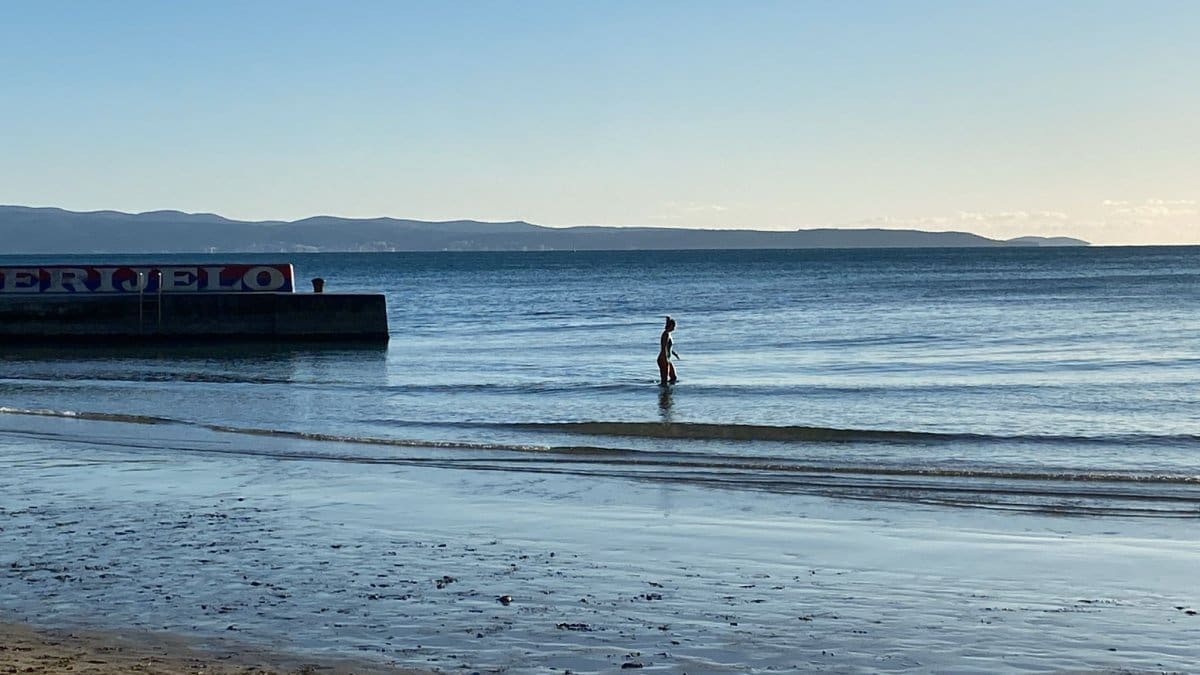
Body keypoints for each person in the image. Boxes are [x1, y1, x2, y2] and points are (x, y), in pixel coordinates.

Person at [658, 315, 679, 385]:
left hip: (667, 358)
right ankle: (663, 393)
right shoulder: (665, 334)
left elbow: (668, 347)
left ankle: (668, 393)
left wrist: (674, 353)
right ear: (670, 326)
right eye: (674, 326)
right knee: (664, 380)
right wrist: (665, 359)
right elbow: (663, 347)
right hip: (663, 358)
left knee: (673, 377)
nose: (674, 328)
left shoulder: (669, 334)